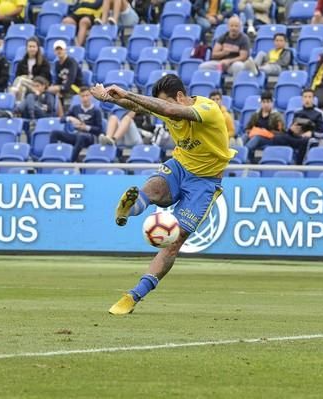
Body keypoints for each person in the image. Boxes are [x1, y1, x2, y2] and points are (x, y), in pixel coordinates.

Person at [90, 74, 236, 315]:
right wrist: (108, 98)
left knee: (173, 242)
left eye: (168, 102)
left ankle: (134, 295)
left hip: (205, 183)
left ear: (180, 96)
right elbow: (138, 105)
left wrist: (126, 92)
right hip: (180, 167)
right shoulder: (169, 106)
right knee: (153, 188)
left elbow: (167, 109)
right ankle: (132, 207)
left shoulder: (208, 109)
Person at [50, 87, 103, 161]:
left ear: (91, 96)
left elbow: (99, 130)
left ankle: (71, 162)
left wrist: (85, 127)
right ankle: (53, 158)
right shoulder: (75, 108)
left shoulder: (96, 111)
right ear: (79, 97)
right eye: (82, 96)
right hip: (76, 135)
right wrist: (70, 118)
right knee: (54, 133)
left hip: (90, 137)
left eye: (87, 95)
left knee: (81, 136)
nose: (85, 98)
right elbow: (62, 119)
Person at [276, 88, 323, 164]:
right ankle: (282, 163)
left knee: (306, 141)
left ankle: (299, 165)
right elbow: (290, 130)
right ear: (302, 99)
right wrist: (291, 130)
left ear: (313, 99)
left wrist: (311, 133)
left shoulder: (319, 113)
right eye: (305, 97)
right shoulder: (297, 112)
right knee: (278, 137)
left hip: (311, 139)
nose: (307, 99)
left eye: (309, 97)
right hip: (297, 137)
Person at [244, 91, 284, 162]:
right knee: (245, 136)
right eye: (264, 102)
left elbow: (282, 132)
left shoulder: (277, 116)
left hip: (270, 138)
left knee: (257, 138)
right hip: (256, 135)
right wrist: (254, 131)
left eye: (268, 102)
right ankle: (242, 153)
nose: (266, 104)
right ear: (261, 103)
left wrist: (265, 132)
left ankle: (246, 157)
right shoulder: (256, 114)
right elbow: (247, 128)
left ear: (272, 103)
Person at [10, 36, 52, 101]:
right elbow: (17, 76)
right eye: (30, 46)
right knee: (22, 86)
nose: (32, 49)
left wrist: (29, 79)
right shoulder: (22, 63)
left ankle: (13, 101)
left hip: (39, 85)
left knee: (20, 80)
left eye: (34, 46)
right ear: (26, 48)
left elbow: (43, 78)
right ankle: (19, 105)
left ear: (38, 48)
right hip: (25, 84)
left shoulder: (44, 62)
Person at [48, 40, 85, 105]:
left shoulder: (72, 62)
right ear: (54, 51)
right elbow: (57, 80)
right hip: (63, 87)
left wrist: (61, 90)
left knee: (53, 89)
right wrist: (57, 89)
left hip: (76, 87)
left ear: (65, 50)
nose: (59, 51)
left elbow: (71, 80)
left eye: (61, 49)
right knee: (50, 90)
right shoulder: (57, 64)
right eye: (57, 49)